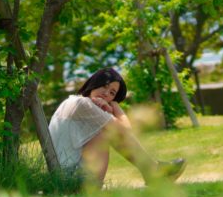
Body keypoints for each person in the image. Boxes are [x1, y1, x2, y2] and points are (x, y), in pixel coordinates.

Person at [48, 67, 186, 188]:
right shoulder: (82, 103)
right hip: (73, 181)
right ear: (95, 83)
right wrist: (115, 108)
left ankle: (152, 171)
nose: (106, 93)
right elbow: (126, 131)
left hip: (66, 178)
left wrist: (112, 107)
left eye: (112, 93)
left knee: (107, 130)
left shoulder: (73, 102)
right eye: (104, 86)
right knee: (107, 133)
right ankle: (153, 171)